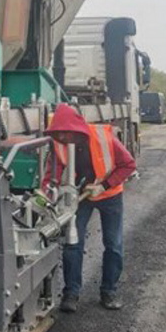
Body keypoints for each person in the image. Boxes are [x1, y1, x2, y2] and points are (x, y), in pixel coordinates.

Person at [43, 104, 136, 312]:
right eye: (59, 134)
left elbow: (129, 164)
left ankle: (109, 291)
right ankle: (71, 293)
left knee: (113, 244)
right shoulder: (59, 144)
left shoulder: (104, 138)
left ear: (76, 129)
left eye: (66, 133)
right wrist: (47, 197)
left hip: (110, 195)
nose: (63, 138)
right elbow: (51, 176)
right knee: (72, 243)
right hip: (80, 197)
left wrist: (103, 185)